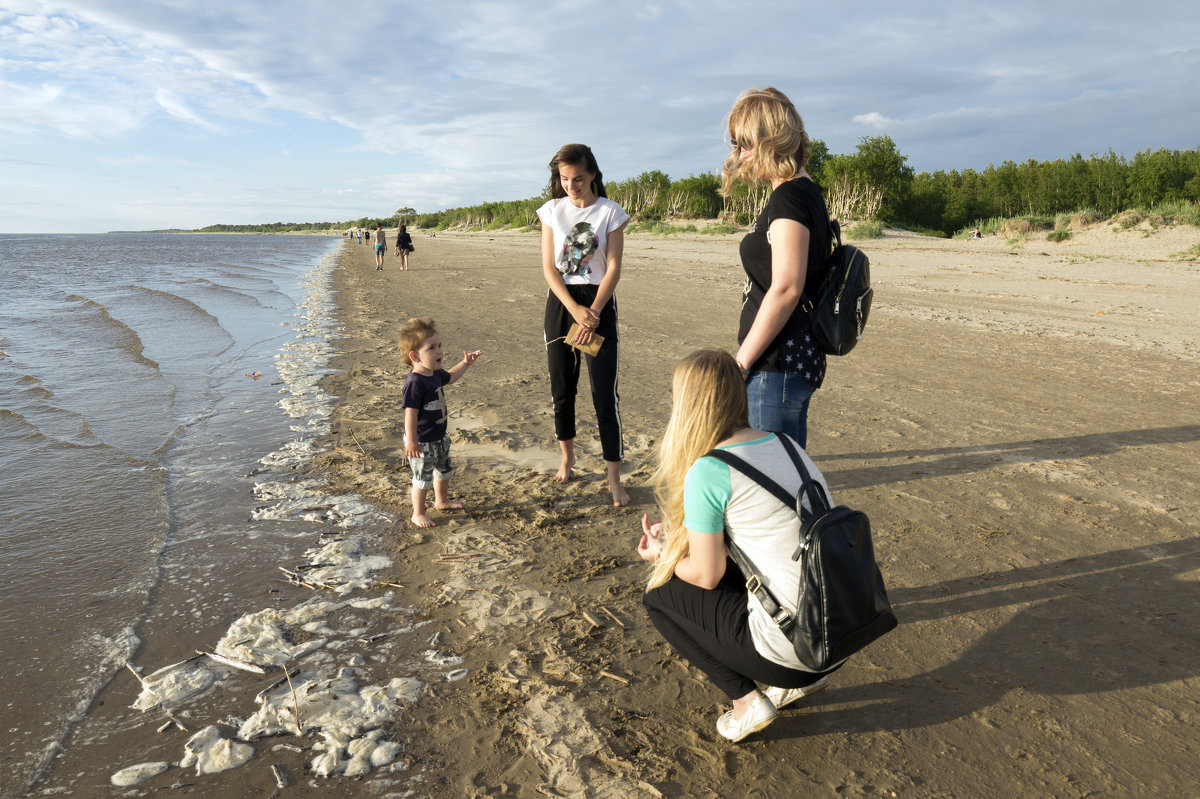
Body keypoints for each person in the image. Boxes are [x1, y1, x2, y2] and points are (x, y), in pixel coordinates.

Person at [637, 348, 837, 742]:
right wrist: (681, 529)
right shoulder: (785, 445)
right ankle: (798, 683)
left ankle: (746, 700)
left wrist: (663, 553)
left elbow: (707, 576)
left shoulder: (709, 470)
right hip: (835, 634)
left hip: (797, 649)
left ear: (688, 404)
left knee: (659, 595)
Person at [721, 87, 832, 450]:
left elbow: (786, 288)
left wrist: (742, 362)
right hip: (794, 362)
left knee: (771, 487)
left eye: (745, 144)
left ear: (771, 139)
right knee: (791, 479)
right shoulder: (804, 191)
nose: (739, 155)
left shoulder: (790, 197)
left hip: (777, 363)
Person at [537, 143, 631, 507]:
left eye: (578, 178)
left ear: (592, 174)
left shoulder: (610, 213)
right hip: (562, 305)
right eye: (564, 179)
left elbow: (614, 268)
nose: (571, 186)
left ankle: (613, 478)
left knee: (604, 395)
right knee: (563, 389)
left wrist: (591, 311)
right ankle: (567, 458)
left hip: (599, 305)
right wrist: (574, 310)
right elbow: (549, 268)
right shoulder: (551, 211)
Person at [399, 317, 482, 528]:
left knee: (443, 470)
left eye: (439, 346)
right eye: (432, 348)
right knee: (422, 477)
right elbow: (411, 414)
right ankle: (418, 513)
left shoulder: (434, 373)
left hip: (439, 437)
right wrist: (411, 441)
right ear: (414, 356)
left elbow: (451, 378)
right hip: (422, 441)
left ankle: (441, 500)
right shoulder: (415, 382)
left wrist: (466, 363)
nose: (439, 352)